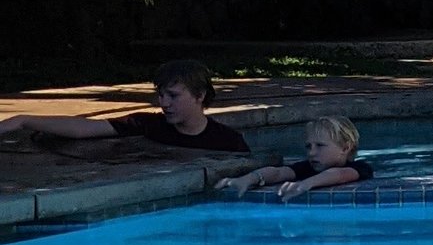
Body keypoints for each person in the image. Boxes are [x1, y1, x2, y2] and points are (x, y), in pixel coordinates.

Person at [0, 60, 254, 172]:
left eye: (173, 96)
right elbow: (83, 128)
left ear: (200, 96)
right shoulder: (149, 124)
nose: (163, 103)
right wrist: (23, 119)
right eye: (161, 94)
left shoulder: (229, 141)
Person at [229, 116, 371, 199]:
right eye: (308, 146)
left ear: (345, 148)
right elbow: (279, 172)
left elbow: (340, 174)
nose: (311, 153)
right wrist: (251, 178)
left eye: (320, 146)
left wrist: (305, 184)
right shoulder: (307, 167)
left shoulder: (361, 167)